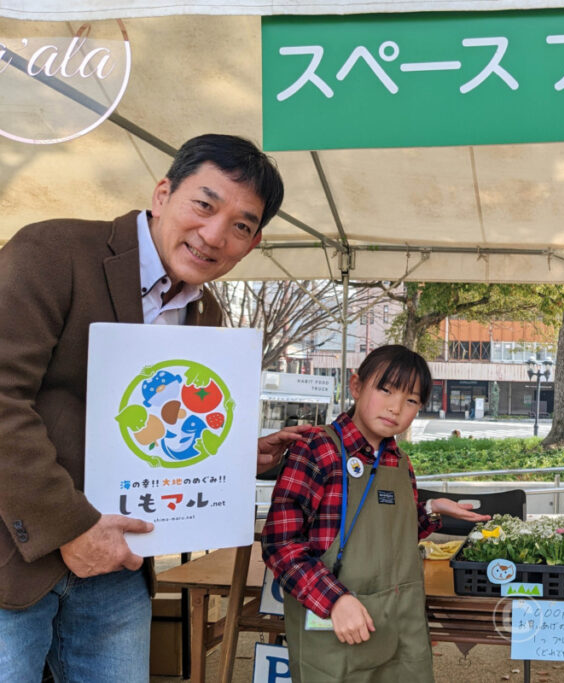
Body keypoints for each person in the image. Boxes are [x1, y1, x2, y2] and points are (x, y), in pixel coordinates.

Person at [0, 134, 304, 682]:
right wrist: (72, 527)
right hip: (13, 554)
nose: (213, 235)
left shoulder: (204, 313)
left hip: (121, 564)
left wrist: (231, 459)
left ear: (253, 243)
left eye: (240, 225)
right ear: (162, 193)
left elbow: (150, 426)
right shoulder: (53, 252)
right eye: (204, 205)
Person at [263, 345, 490, 682]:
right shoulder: (318, 448)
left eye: (411, 400)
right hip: (336, 624)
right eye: (386, 390)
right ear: (356, 386)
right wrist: (335, 601)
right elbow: (281, 545)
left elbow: (390, 536)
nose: (396, 407)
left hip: (401, 625)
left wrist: (430, 509)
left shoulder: (398, 461)